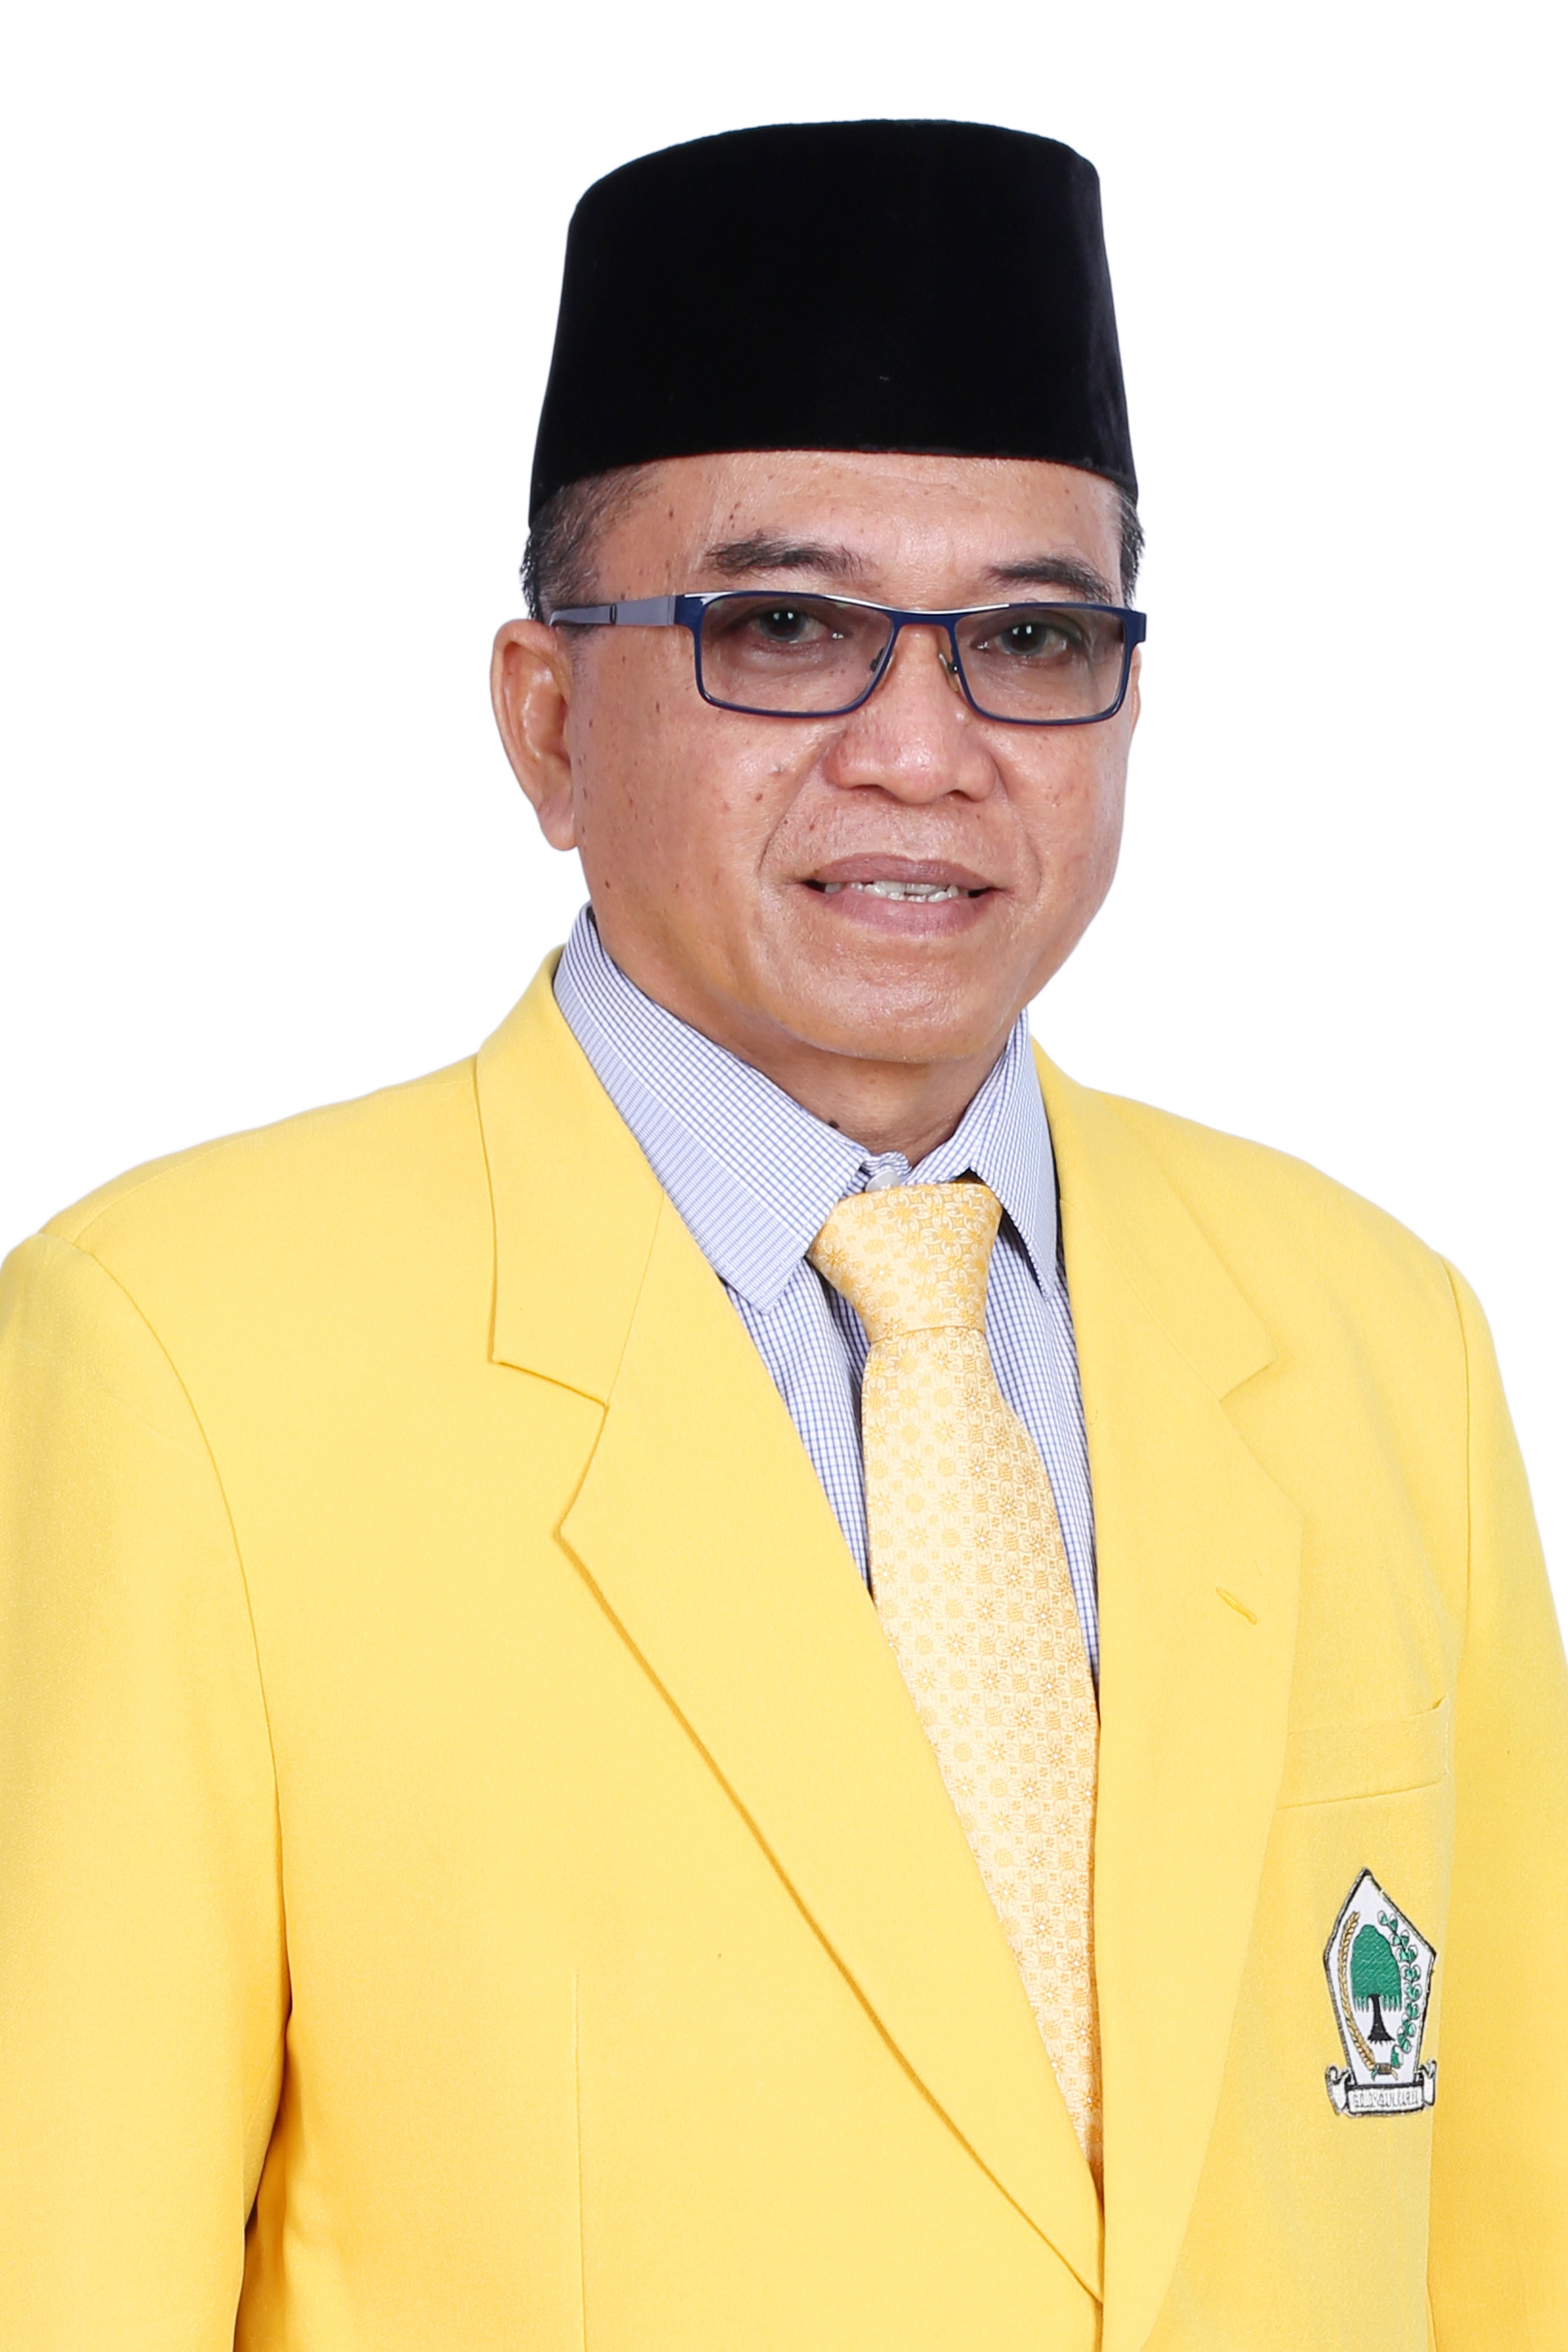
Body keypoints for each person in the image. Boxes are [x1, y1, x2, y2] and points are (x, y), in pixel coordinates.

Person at [0, 117, 1562, 2352]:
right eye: (787, 627)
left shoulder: (1375, 1330)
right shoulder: (180, 1361)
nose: (924, 749)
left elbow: (1507, 2252)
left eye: (1032, 635)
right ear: (549, 719)